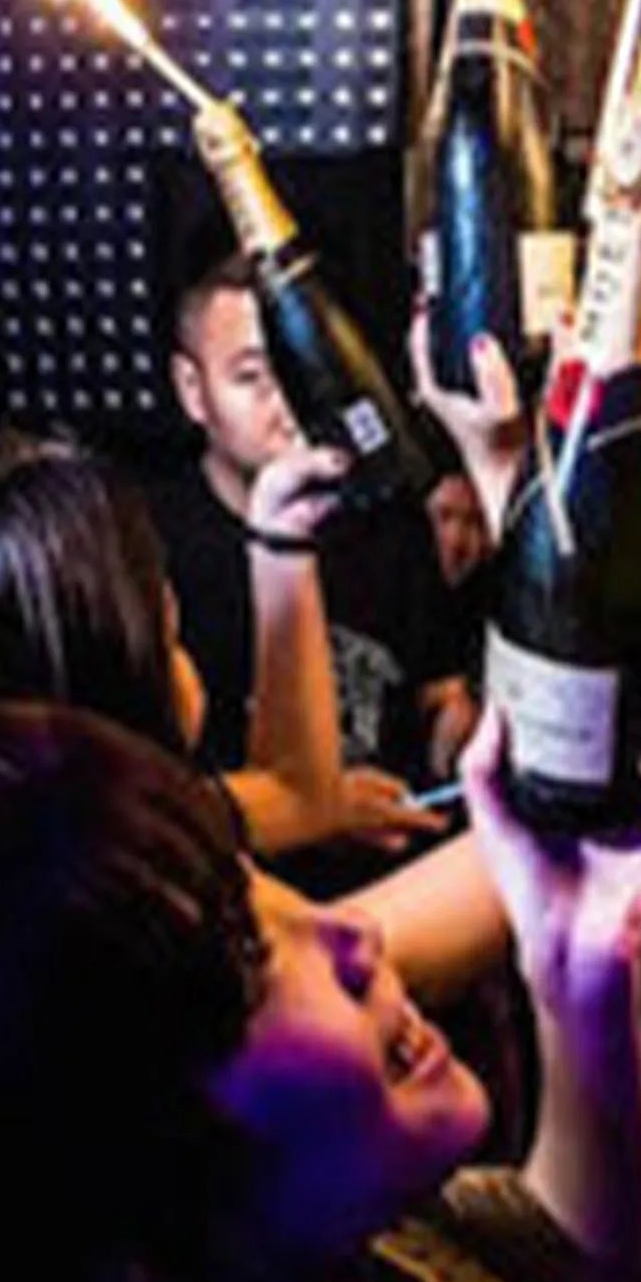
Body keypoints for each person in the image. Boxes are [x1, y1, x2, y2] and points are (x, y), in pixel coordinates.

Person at [0, 699, 641, 1282]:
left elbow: (574, 1252)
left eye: (250, 881)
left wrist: (578, 977)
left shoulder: (318, 1230)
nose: (352, 931)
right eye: (248, 952)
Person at [0, 429, 507, 1006]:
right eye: (167, 629)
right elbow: (352, 957)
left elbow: (297, 793)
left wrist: (280, 538)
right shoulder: (125, 927)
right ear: (119, 671)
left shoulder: (13, 832)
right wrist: (503, 471)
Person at [157, 257, 478, 847]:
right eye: (252, 377)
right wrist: (313, 807)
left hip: (400, 874)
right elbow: (145, 801)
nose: (286, 403)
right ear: (192, 390)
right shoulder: (152, 551)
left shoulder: (386, 514)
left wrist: (465, 744)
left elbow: (438, 695)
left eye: (294, 369)